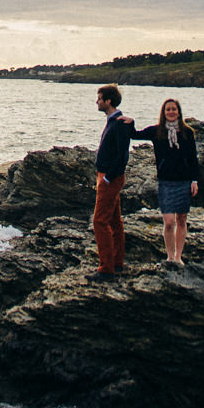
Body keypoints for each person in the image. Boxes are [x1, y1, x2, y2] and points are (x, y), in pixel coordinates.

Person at [129, 98, 199, 267]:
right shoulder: (156, 131)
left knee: (181, 220)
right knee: (168, 222)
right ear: (163, 112)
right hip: (166, 182)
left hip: (184, 181)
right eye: (168, 109)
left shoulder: (187, 132)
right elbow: (135, 135)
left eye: (174, 109)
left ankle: (178, 257)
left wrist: (194, 180)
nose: (171, 112)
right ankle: (169, 256)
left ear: (179, 112)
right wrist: (129, 122)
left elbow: (193, 158)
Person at [92, 84, 131, 280]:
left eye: (99, 99)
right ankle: (117, 263)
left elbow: (123, 156)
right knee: (114, 221)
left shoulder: (119, 124)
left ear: (108, 101)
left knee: (99, 221)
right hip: (107, 176)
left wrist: (107, 178)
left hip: (110, 178)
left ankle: (106, 268)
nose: (96, 102)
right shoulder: (114, 121)